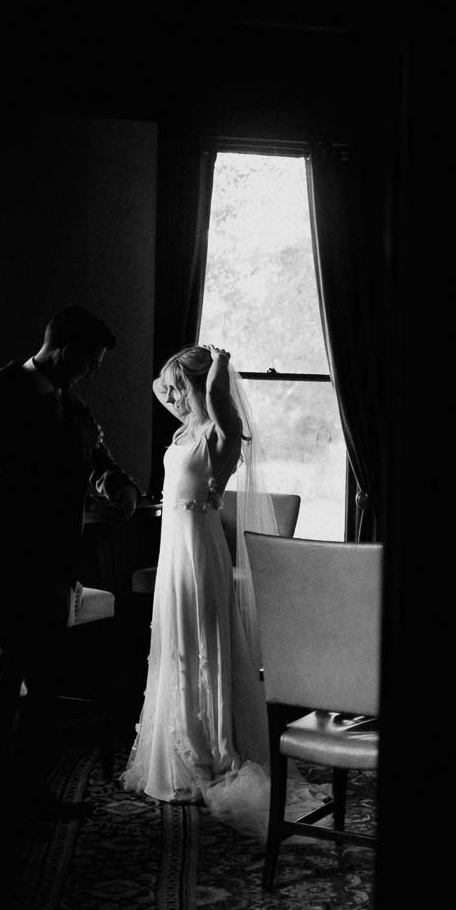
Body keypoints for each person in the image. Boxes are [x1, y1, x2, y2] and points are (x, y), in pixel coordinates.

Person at [0, 304, 142, 824]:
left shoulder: (72, 405)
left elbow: (95, 463)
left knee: (46, 683)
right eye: (90, 362)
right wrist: (81, 447)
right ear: (65, 351)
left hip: (56, 561)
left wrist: (118, 483)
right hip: (5, 556)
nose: (92, 373)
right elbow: (20, 465)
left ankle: (32, 794)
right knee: (6, 677)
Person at [122, 343, 276, 837]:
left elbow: (217, 401)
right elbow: (156, 387)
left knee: (204, 643)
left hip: (199, 551)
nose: (173, 396)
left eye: (180, 387)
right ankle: (180, 747)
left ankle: (212, 751)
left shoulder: (218, 435)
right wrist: (184, 372)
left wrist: (218, 368)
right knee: (177, 643)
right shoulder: (186, 429)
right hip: (173, 553)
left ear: (200, 388)